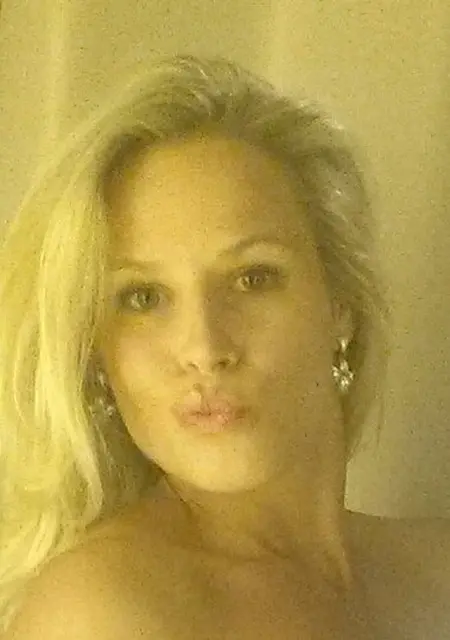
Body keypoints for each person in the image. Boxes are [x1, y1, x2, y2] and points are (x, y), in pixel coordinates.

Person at [1, 52, 442, 639]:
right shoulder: (100, 613)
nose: (205, 348)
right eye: (142, 298)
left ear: (340, 307)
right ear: (95, 352)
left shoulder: (435, 567)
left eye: (253, 278)